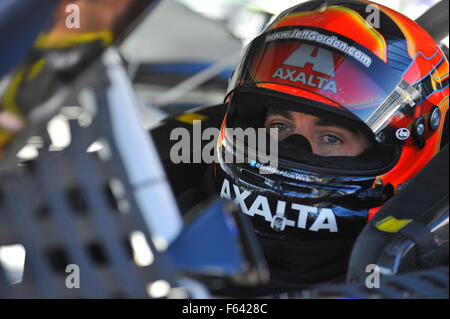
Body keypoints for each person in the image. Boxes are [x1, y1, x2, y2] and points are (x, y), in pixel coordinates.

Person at [211, 0, 449, 289]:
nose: (294, 147)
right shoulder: (176, 207)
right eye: (280, 126)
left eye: (331, 137)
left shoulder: (420, 279)